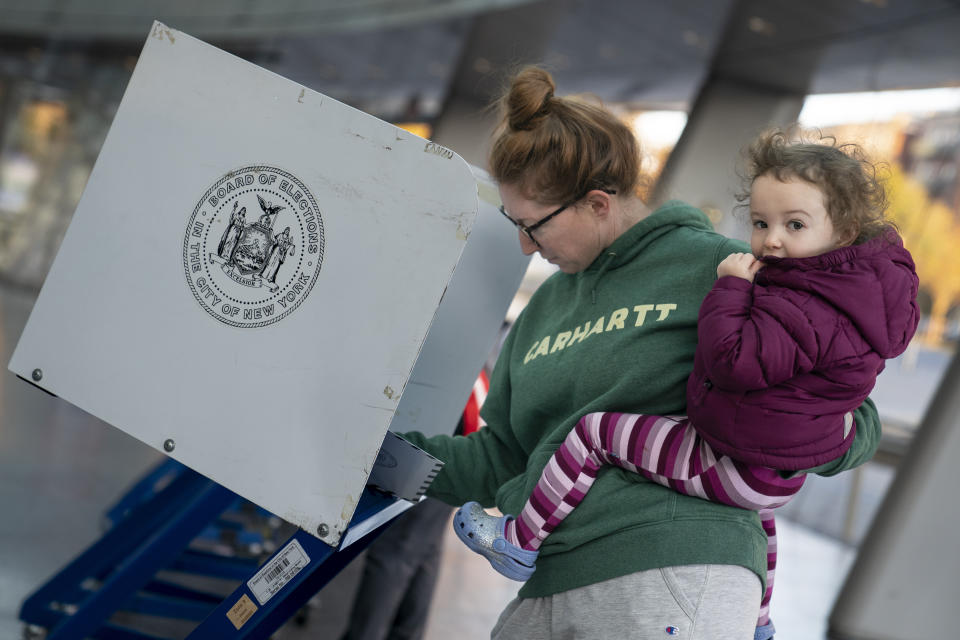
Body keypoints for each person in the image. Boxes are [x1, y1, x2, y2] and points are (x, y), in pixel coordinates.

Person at [399, 67, 885, 640]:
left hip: (682, 568)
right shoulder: (545, 308)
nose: (525, 245)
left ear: (599, 203)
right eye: (515, 224)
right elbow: (503, 455)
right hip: (552, 578)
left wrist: (784, 433)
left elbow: (856, 412)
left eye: (534, 225)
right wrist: (391, 460)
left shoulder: (730, 270)